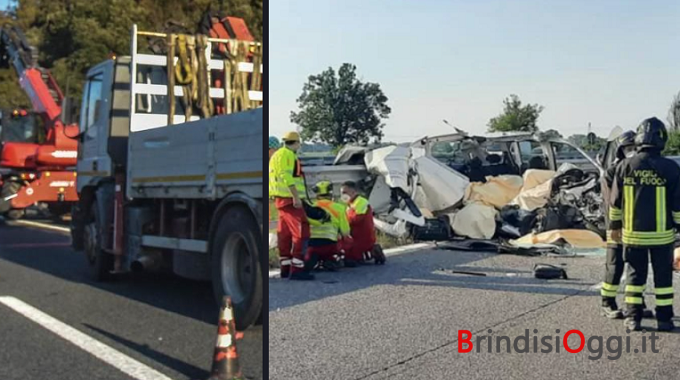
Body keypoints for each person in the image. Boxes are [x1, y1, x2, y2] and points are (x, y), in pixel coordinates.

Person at [609, 117, 680, 331]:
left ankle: (633, 318)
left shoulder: (624, 166)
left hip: (633, 236)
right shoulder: (671, 168)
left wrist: (614, 227)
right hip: (662, 237)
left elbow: (615, 202)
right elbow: (678, 205)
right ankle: (665, 319)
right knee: (663, 280)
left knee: (634, 277)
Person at [600, 131, 653, 319]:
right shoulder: (612, 172)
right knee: (615, 266)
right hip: (616, 226)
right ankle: (607, 302)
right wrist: (614, 227)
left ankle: (636, 304)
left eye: (634, 148)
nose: (631, 151)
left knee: (637, 268)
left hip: (635, 227)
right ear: (620, 151)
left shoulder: (637, 169)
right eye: (627, 148)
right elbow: (610, 203)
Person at [268, 131, 314, 280]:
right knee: (302, 231)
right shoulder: (288, 155)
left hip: (280, 199)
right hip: (289, 199)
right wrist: (296, 196)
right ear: (296, 143)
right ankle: (297, 268)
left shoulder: (276, 156)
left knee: (284, 233)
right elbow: (286, 176)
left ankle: (285, 267)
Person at [306, 181, 352, 271]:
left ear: (317, 196)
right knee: (347, 240)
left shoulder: (311, 208)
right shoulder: (339, 208)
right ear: (331, 195)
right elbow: (345, 232)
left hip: (311, 244)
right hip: (330, 245)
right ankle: (333, 258)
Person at [340, 181, 379, 267]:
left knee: (350, 258)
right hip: (354, 236)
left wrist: (342, 223)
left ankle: (371, 251)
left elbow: (356, 219)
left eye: (345, 192)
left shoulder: (361, 202)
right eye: (342, 193)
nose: (343, 196)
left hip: (362, 237)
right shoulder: (348, 204)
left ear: (354, 192)